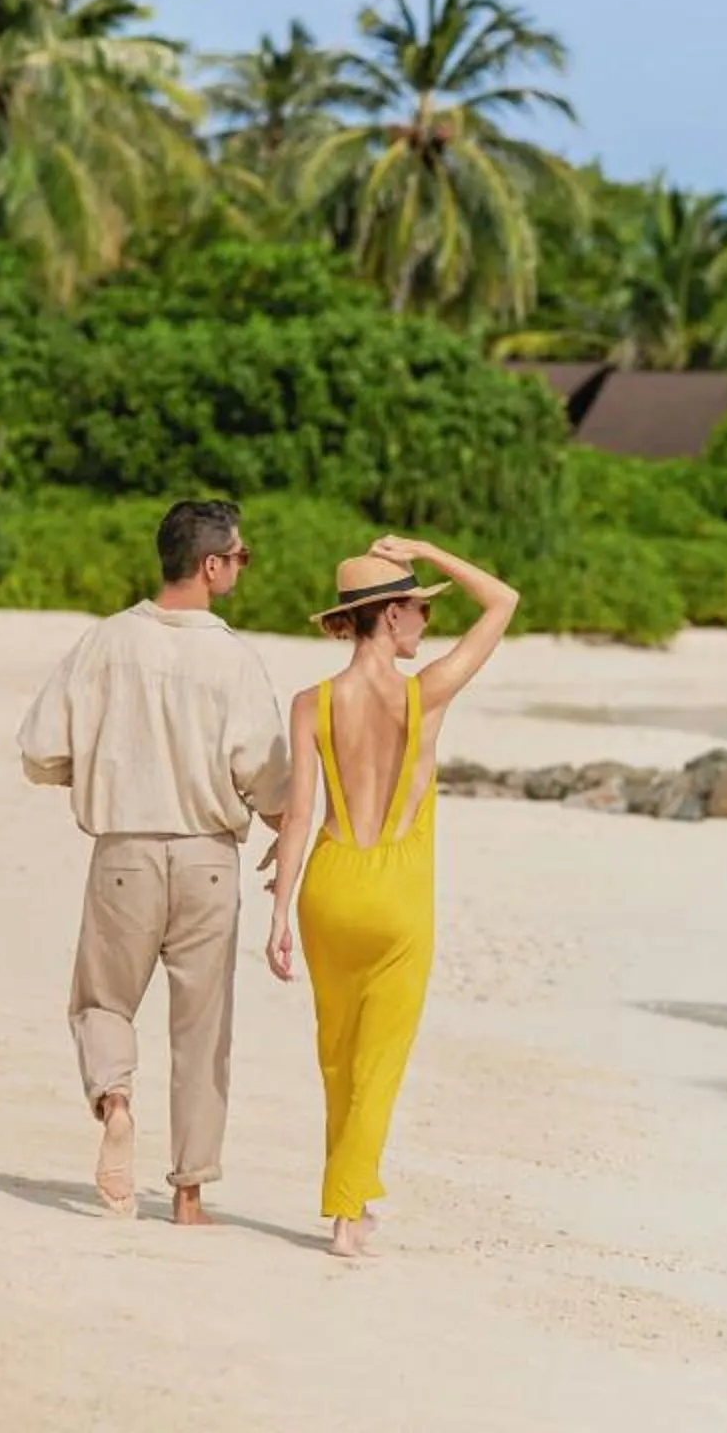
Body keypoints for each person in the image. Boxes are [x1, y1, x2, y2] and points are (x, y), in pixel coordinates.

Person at [19, 498, 289, 1224]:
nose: (242, 567)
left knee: (103, 1001)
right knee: (203, 1029)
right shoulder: (234, 658)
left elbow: (41, 751)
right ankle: (190, 1194)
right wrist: (287, 842)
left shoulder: (105, 644)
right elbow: (267, 777)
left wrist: (104, 767)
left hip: (124, 852)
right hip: (208, 860)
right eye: (240, 557)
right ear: (210, 566)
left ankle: (115, 1100)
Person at [265, 534, 518, 1257]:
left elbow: (298, 817)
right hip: (398, 891)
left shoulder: (310, 703)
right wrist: (429, 551)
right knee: (380, 1060)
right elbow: (503, 601)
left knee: (338, 1053)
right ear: (394, 614)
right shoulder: (426, 693)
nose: (427, 623)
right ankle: (348, 1213)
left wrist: (279, 910)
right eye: (419, 609)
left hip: (330, 882)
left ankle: (349, 1198)